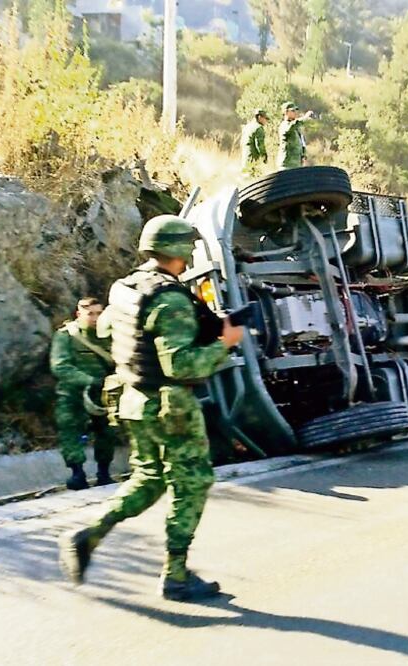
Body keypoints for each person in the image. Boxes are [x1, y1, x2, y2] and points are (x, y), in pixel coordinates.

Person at [59, 215, 245, 602]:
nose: (192, 253)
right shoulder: (171, 298)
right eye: (189, 248)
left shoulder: (124, 288)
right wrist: (224, 342)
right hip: (170, 404)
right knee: (192, 482)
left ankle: (88, 534)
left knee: (149, 479)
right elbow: (181, 364)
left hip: (132, 399)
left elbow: (106, 332)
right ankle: (176, 575)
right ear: (176, 250)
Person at [50, 297, 120, 490]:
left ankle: (104, 473)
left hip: (103, 393)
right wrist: (88, 381)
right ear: (79, 314)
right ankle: (77, 474)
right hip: (72, 394)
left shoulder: (108, 335)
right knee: (70, 430)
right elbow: (60, 366)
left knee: (107, 432)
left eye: (99, 313)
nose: (95, 318)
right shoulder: (66, 336)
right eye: (90, 314)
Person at [276, 102, 314, 170]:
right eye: (293, 111)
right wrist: (305, 118)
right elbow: (292, 126)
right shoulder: (284, 125)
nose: (295, 112)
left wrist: (303, 155)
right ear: (286, 112)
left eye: (296, 110)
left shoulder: (296, 128)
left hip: (297, 164)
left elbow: (301, 142)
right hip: (287, 164)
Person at [240, 108, 269, 177]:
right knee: (255, 178)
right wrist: (264, 156)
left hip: (245, 157)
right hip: (253, 158)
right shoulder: (259, 128)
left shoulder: (247, 127)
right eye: (265, 118)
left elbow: (241, 142)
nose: (266, 121)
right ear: (259, 117)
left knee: (246, 177)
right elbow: (259, 145)